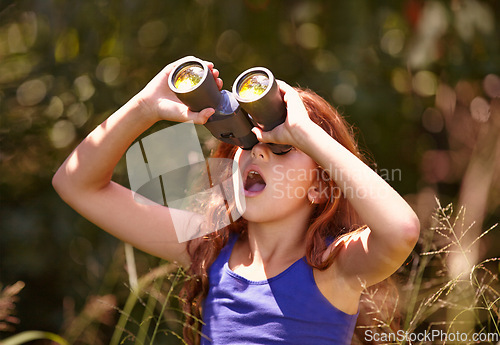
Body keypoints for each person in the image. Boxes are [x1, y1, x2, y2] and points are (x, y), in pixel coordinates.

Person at [52, 56, 420, 345]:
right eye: (249, 144)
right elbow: (76, 183)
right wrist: (146, 105)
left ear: (320, 187)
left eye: (281, 149)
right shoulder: (209, 248)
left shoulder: (335, 266)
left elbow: (401, 229)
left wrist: (305, 132)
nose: (258, 154)